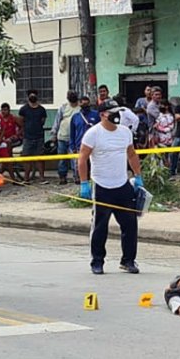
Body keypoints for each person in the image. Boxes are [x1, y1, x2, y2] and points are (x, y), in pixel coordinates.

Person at [78, 100, 143, 275]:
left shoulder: (125, 132)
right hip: (101, 185)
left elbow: (131, 154)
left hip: (122, 184)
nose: (116, 115)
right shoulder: (93, 134)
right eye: (112, 112)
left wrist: (137, 176)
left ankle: (128, 260)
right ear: (102, 115)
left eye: (118, 112)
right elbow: (82, 158)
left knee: (130, 224)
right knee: (100, 226)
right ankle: (97, 261)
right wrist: (84, 182)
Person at [18, 89, 49, 184]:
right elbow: (21, 121)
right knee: (27, 158)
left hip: (39, 136)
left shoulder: (42, 110)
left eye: (34, 95)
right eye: (30, 95)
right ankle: (26, 178)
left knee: (40, 158)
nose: (32, 97)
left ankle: (41, 178)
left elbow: (43, 121)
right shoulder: (23, 109)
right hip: (27, 136)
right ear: (28, 97)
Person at [52, 91, 81, 184]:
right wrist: (54, 134)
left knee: (75, 159)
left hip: (75, 139)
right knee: (62, 159)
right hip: (62, 137)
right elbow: (57, 120)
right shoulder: (63, 107)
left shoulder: (80, 108)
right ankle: (62, 177)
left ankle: (76, 176)